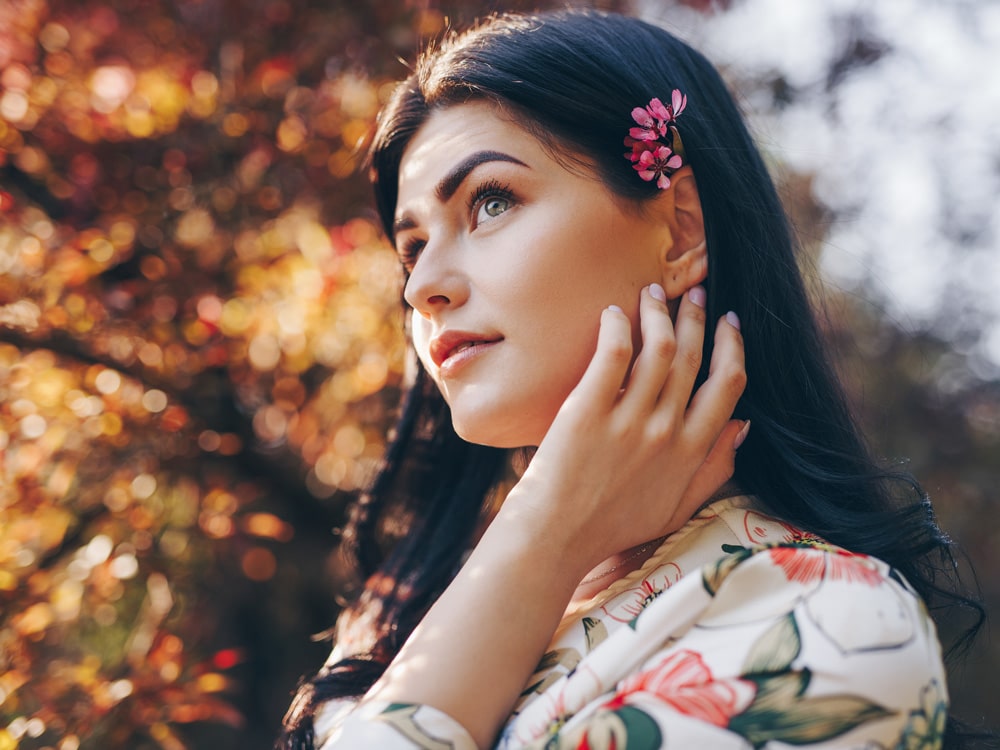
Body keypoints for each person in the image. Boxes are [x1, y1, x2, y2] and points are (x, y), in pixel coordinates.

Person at [278, 9, 985, 750]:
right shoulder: (399, 619)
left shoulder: (828, 621)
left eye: (491, 201)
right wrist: (542, 534)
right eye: (412, 246)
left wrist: (543, 532)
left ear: (679, 229)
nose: (423, 287)